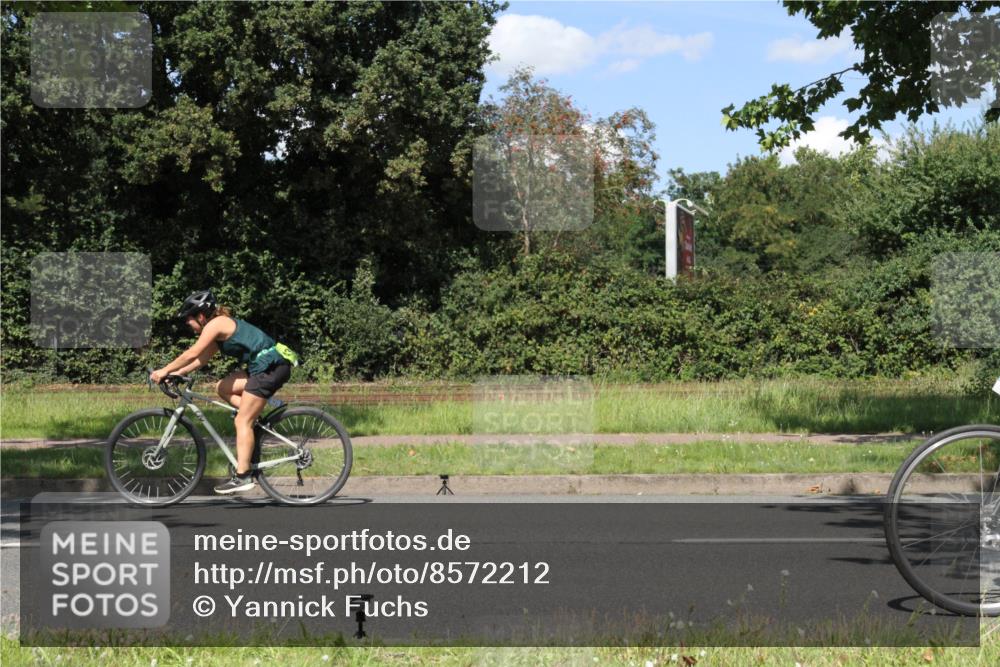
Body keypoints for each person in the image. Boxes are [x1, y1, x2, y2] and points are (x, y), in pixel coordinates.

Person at [149, 290, 298, 495]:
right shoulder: (218, 329)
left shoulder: (216, 324)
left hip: (270, 367)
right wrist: (175, 373)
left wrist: (164, 370)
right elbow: (200, 360)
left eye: (189, 320)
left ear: (200, 316)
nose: (188, 325)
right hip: (265, 367)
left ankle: (243, 476)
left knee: (241, 421)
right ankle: (253, 415)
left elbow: (191, 352)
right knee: (222, 387)